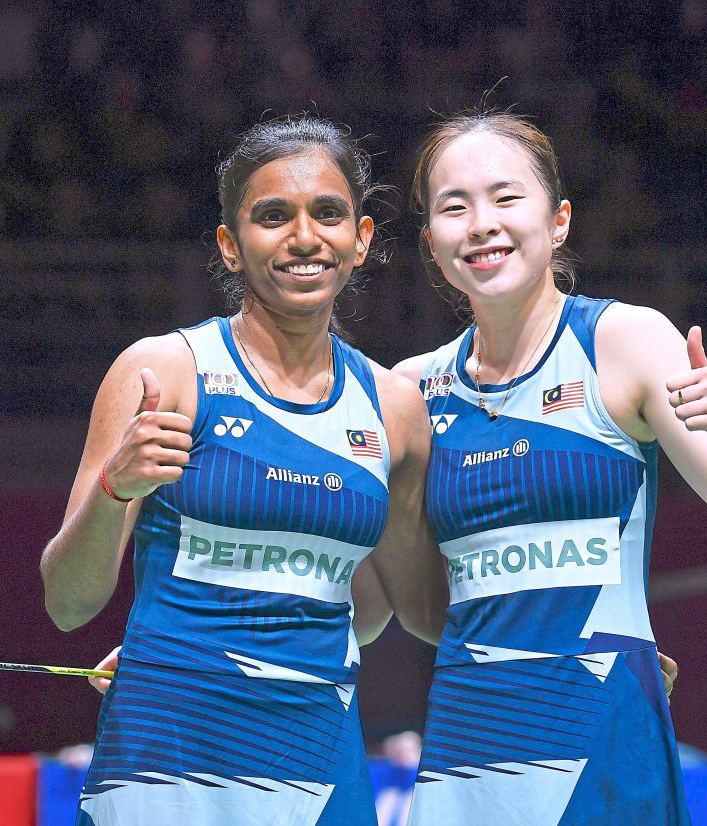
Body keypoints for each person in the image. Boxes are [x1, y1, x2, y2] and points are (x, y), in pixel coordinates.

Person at [393, 109, 707, 825]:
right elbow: (415, 606)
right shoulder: (410, 390)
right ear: (432, 242)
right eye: (454, 207)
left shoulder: (626, 342)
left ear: (558, 221)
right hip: (469, 742)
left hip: (604, 737)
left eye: (506, 197)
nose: (482, 224)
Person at [39, 115, 442, 826]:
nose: (304, 236)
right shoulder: (164, 373)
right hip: (165, 761)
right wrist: (115, 489)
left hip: (318, 765)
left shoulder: (395, 410)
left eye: (328, 213)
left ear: (361, 239)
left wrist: (583, 653)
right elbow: (67, 604)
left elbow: (399, 608)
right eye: (273, 216)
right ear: (230, 246)